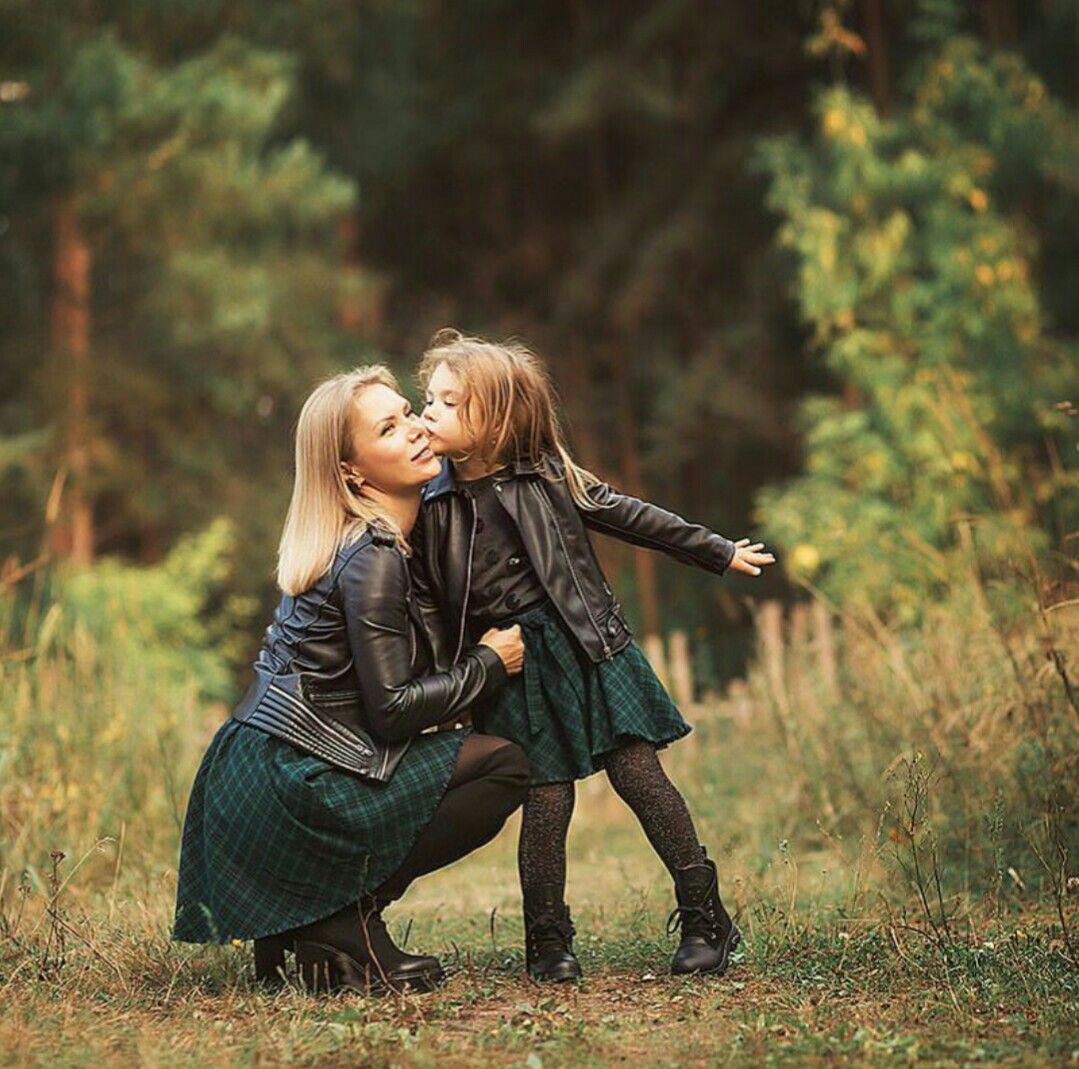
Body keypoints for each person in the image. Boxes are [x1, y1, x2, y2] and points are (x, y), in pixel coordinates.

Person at [412, 330, 775, 983]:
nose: (426, 413)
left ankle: (704, 917)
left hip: (587, 645)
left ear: (491, 420)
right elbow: (426, 604)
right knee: (545, 801)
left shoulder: (548, 477)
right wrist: (451, 681)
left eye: (445, 402)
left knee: (638, 774)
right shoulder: (429, 503)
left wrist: (714, 549)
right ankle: (547, 941)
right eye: (427, 399)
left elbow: (627, 514)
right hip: (513, 664)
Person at [173, 365, 529, 995]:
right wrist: (489, 664)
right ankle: (341, 919)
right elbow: (391, 709)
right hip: (290, 780)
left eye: (407, 413)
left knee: (474, 760)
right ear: (351, 473)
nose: (417, 430)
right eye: (388, 429)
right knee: (502, 766)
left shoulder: (362, 539)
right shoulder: (373, 556)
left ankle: (313, 923)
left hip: (257, 772)